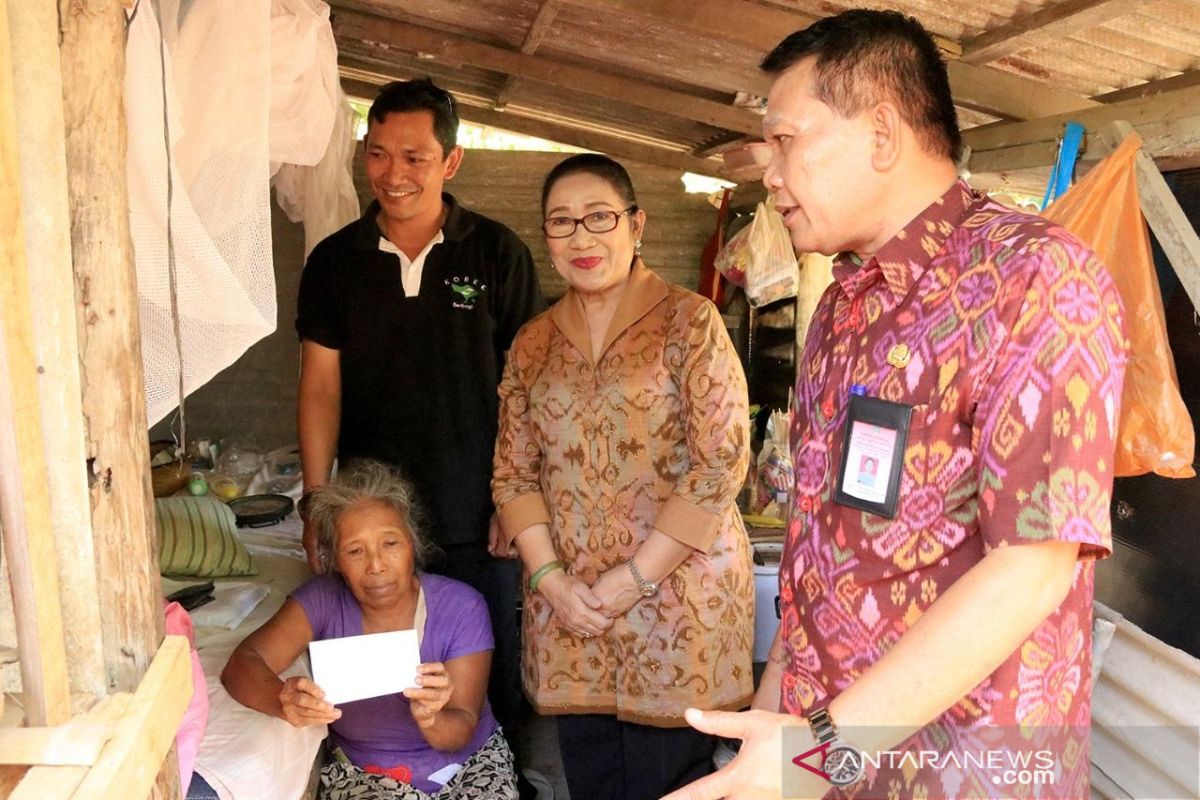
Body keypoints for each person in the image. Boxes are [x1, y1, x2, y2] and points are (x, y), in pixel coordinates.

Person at [666, 10, 1127, 800]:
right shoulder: (843, 305)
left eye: (785, 140)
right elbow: (815, 558)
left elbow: (1033, 565)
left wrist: (820, 755)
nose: (767, 173)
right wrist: (769, 747)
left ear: (882, 133)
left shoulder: (1036, 278)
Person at [294, 78, 543, 784]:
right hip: (371, 523)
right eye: (377, 155)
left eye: (415, 157)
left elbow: (523, 392)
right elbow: (319, 386)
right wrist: (319, 500)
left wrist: (511, 500)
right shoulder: (334, 262)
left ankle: (497, 785)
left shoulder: (497, 254)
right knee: (375, 678)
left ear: (452, 161)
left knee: (483, 672)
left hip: (472, 511)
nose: (393, 175)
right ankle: (382, 783)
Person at [491, 154, 755, 800]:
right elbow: (512, 472)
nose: (581, 237)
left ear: (636, 225)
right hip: (573, 612)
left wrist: (635, 578)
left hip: (679, 605)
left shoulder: (689, 321)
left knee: (675, 786)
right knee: (593, 783)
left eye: (599, 218)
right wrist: (550, 580)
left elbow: (720, 459)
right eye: (562, 223)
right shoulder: (533, 342)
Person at [221, 461, 517, 799]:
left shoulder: (462, 607)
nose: (376, 566)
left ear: (412, 544)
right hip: (364, 775)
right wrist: (281, 699)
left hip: (468, 765)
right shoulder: (321, 601)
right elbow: (242, 664)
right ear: (335, 559)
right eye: (355, 551)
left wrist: (432, 717)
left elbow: (460, 728)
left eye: (390, 544)